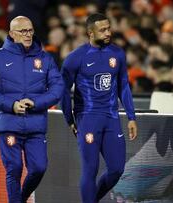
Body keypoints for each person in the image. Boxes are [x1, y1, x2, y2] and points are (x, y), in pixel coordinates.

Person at [0, 16, 64, 203]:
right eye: (23, 31)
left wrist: (36, 102)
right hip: (9, 124)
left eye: (30, 30)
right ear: (11, 34)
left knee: (39, 168)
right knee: (14, 168)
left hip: (35, 126)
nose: (28, 35)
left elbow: (58, 88)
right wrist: (11, 105)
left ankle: (21, 198)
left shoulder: (44, 58)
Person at [61, 13, 138, 203]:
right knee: (91, 168)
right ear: (90, 33)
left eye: (109, 28)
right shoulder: (75, 58)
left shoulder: (118, 54)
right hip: (87, 118)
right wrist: (69, 119)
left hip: (111, 117)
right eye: (102, 30)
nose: (107, 33)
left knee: (117, 169)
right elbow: (63, 90)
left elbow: (124, 85)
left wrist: (131, 116)